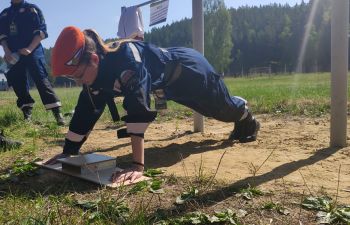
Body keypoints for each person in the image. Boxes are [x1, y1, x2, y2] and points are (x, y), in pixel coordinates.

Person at [47, 26, 260, 183]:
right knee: (204, 109)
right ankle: (238, 115)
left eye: (79, 75)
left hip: (190, 71)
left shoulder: (127, 61)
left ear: (93, 59)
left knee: (220, 110)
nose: (79, 82)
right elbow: (86, 110)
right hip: (168, 84)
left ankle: (245, 115)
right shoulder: (95, 75)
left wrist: (137, 166)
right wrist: (68, 152)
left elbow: (138, 106)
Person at [0, 0, 64, 125]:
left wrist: (29, 48)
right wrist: (7, 51)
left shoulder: (32, 9)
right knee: (18, 82)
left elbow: (41, 31)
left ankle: (57, 114)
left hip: (33, 50)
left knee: (41, 79)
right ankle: (27, 115)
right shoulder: (4, 14)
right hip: (13, 53)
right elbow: (2, 36)